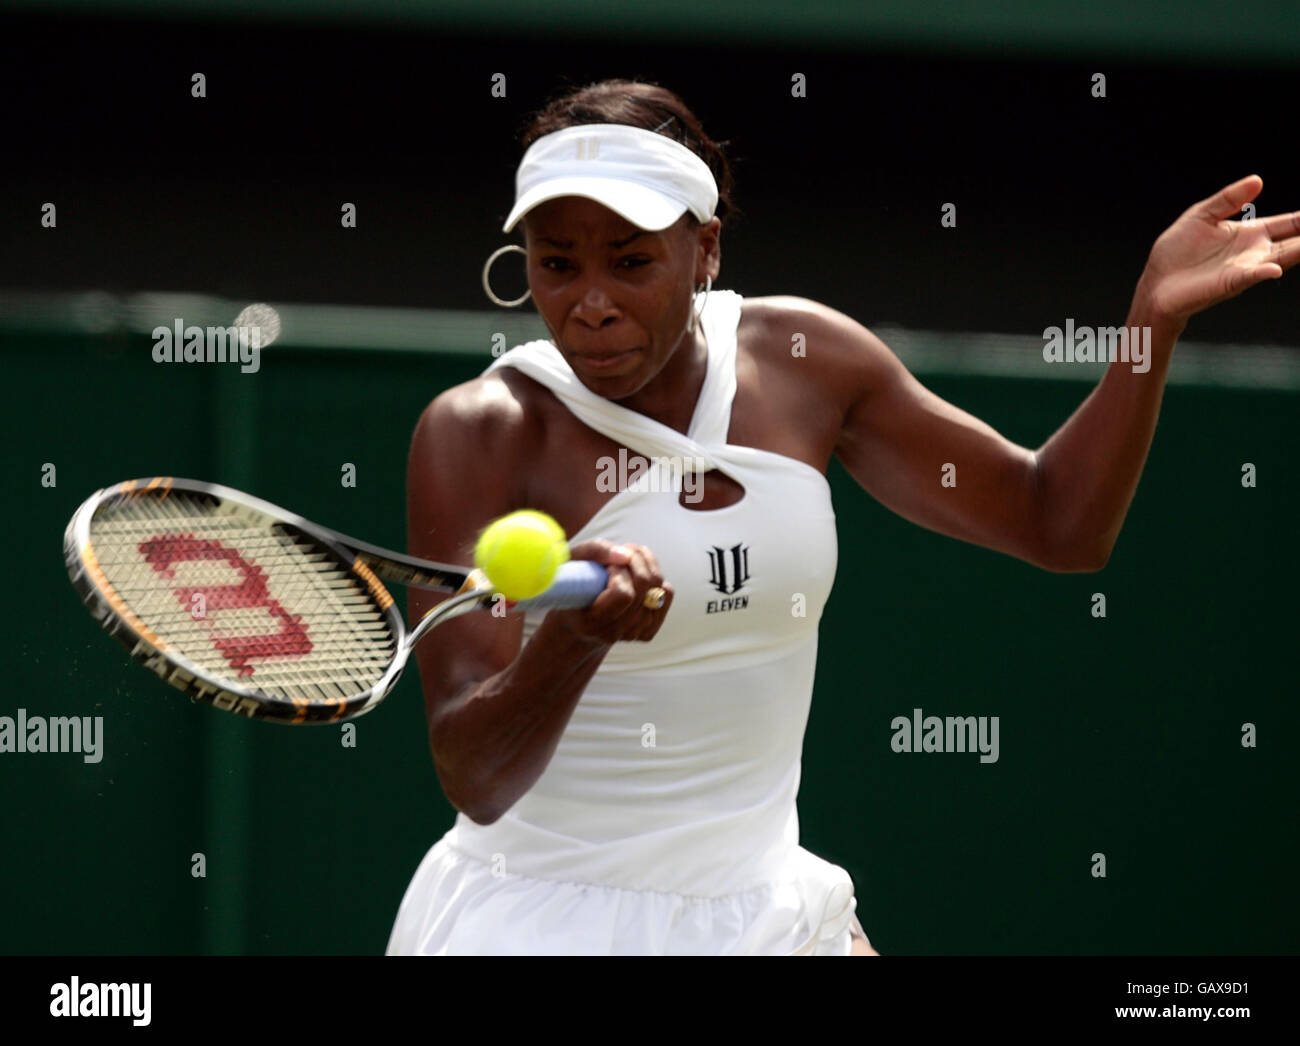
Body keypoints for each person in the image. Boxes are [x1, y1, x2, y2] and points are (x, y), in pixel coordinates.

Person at [386, 79, 1295, 956]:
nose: (590, 303)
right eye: (557, 264)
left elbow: (1059, 523)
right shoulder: (481, 431)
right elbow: (476, 776)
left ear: (704, 251)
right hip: (543, 922)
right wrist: (575, 641)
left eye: (630, 260)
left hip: (771, 911)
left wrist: (1148, 323)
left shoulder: (805, 360)